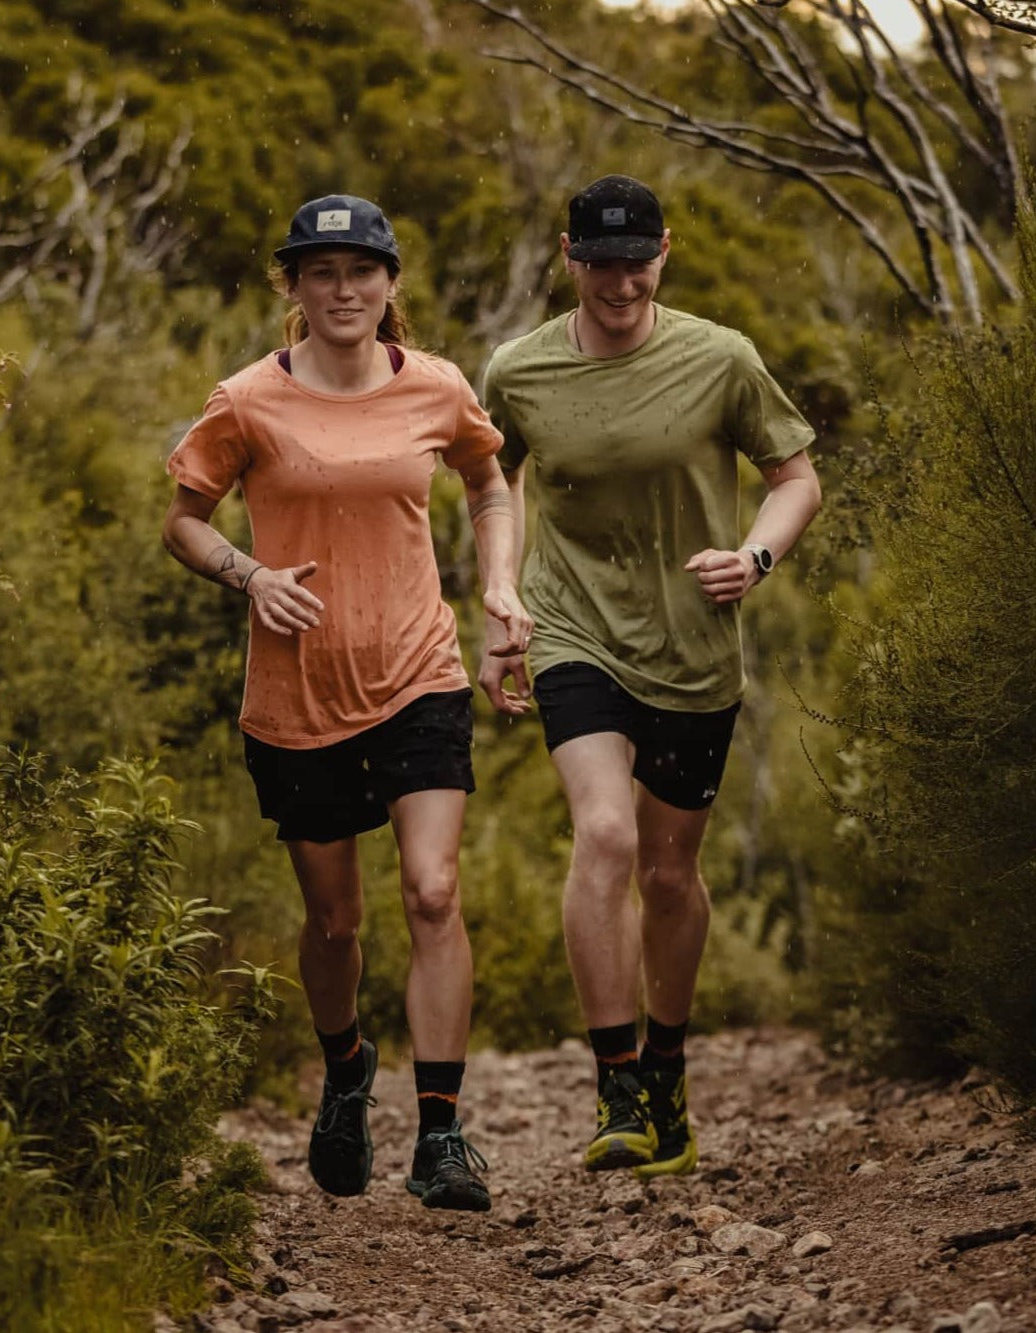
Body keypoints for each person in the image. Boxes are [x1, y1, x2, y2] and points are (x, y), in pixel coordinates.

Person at [163, 194, 531, 1212]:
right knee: (334, 923)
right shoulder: (245, 401)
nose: (342, 291)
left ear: (389, 284)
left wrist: (500, 586)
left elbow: (490, 483)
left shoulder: (437, 389)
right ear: (293, 286)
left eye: (359, 272)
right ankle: (346, 1068)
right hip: (295, 693)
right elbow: (183, 522)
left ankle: (444, 1134)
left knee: (432, 891)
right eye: (319, 272)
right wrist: (248, 574)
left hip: (419, 672)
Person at [480, 175, 821, 1177]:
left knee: (671, 874)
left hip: (693, 643)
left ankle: (668, 1069)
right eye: (600, 261)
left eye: (636, 260)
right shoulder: (520, 369)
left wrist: (753, 558)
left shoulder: (722, 359)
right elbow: (489, 480)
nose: (619, 280)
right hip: (572, 628)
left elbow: (793, 477)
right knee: (606, 832)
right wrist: (499, 603)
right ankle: (618, 1083)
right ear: (567, 255)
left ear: (663, 252)